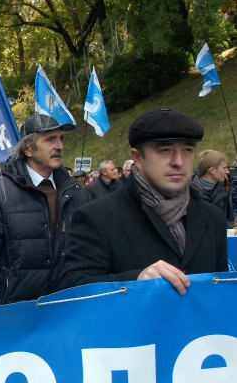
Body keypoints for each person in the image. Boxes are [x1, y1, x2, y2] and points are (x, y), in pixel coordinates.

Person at [60, 109, 227, 295]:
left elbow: (220, 291)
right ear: (137, 158)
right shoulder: (97, 217)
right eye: (165, 151)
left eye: (187, 150)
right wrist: (135, 280)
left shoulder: (213, 218)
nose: (179, 161)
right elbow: (73, 287)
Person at [0, 113, 88, 307]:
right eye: (51, 140)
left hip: (69, 312)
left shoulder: (74, 192)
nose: (60, 146)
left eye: (61, 139)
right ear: (29, 149)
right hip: (17, 315)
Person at [191, 149, 232, 227]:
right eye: (224, 168)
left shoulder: (224, 189)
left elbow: (226, 218)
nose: (227, 172)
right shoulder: (188, 191)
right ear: (212, 170)